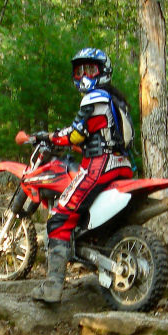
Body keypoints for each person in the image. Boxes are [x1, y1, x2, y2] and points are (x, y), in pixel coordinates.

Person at [32, 47, 134, 303]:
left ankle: (53, 287)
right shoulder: (117, 100)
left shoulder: (94, 98)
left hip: (100, 164)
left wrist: (51, 136)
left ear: (103, 71)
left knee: (58, 218)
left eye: (90, 69)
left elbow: (76, 133)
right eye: (80, 70)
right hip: (122, 164)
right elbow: (101, 134)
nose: (83, 75)